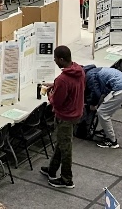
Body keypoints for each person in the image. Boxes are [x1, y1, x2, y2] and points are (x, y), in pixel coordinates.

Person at [40, 46, 85, 189]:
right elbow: (71, 87)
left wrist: (50, 94)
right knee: (61, 142)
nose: (54, 60)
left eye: (55, 58)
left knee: (65, 148)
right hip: (76, 112)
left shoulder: (63, 79)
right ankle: (52, 169)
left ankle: (67, 179)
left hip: (65, 116)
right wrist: (55, 85)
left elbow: (56, 102)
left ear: (61, 59)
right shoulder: (78, 70)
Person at [83, 65, 122, 148]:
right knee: (106, 111)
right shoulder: (95, 71)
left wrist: (92, 104)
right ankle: (107, 131)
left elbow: (96, 93)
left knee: (102, 112)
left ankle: (111, 141)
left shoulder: (89, 76)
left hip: (120, 89)